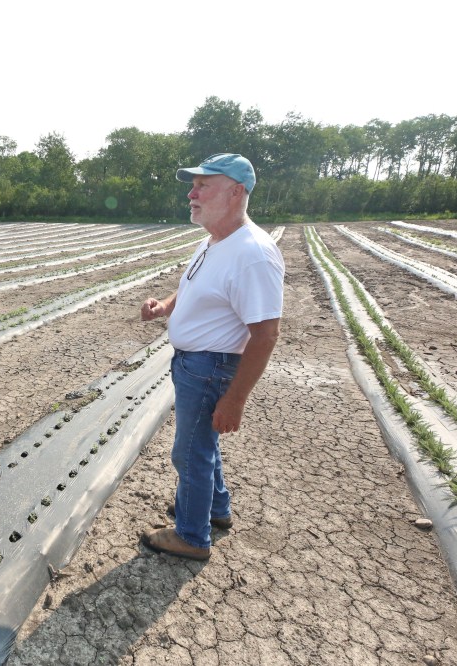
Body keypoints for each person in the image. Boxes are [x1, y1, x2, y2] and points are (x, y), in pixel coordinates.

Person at [140, 153, 284, 561]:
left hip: (210, 368)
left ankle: (191, 536)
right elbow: (192, 287)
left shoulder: (253, 253)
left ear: (236, 192)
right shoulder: (215, 240)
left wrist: (235, 399)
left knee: (189, 453)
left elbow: (266, 334)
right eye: (193, 185)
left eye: (204, 185)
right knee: (202, 446)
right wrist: (165, 307)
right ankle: (215, 510)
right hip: (194, 364)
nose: (192, 193)